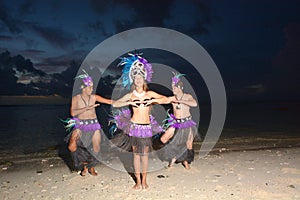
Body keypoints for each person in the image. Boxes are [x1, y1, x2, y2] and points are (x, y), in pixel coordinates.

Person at [111, 53, 169, 189]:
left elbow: (166, 99)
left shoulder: (149, 94)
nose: (138, 79)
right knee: (136, 156)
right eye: (136, 77)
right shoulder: (130, 95)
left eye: (140, 77)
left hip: (146, 127)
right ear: (133, 80)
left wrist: (153, 100)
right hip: (134, 127)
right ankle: (138, 181)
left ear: (144, 79)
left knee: (145, 156)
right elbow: (116, 104)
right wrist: (130, 101)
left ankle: (144, 180)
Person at [63, 70, 113, 176]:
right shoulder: (75, 98)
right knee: (72, 146)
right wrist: (87, 108)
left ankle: (91, 167)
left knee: (96, 147)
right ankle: (83, 165)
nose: (92, 89)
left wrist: (128, 100)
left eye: (92, 86)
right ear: (83, 87)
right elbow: (73, 113)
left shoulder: (94, 97)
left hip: (94, 125)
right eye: (90, 87)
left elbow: (110, 101)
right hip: (80, 125)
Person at [159, 72, 198, 169]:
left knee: (189, 144)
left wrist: (181, 101)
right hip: (176, 123)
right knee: (163, 139)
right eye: (172, 87)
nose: (172, 89)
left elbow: (194, 104)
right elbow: (163, 100)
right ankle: (175, 156)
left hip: (187, 123)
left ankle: (185, 163)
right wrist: (151, 100)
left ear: (180, 87)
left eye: (174, 87)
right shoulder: (172, 98)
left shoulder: (187, 96)